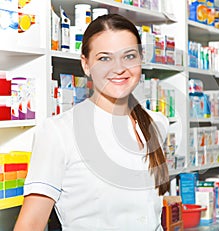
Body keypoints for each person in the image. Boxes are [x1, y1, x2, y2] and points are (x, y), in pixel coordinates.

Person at [14, 14, 170, 231]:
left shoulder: (156, 124)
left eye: (129, 56)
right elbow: (29, 226)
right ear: (86, 65)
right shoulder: (59, 132)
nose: (119, 68)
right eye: (104, 58)